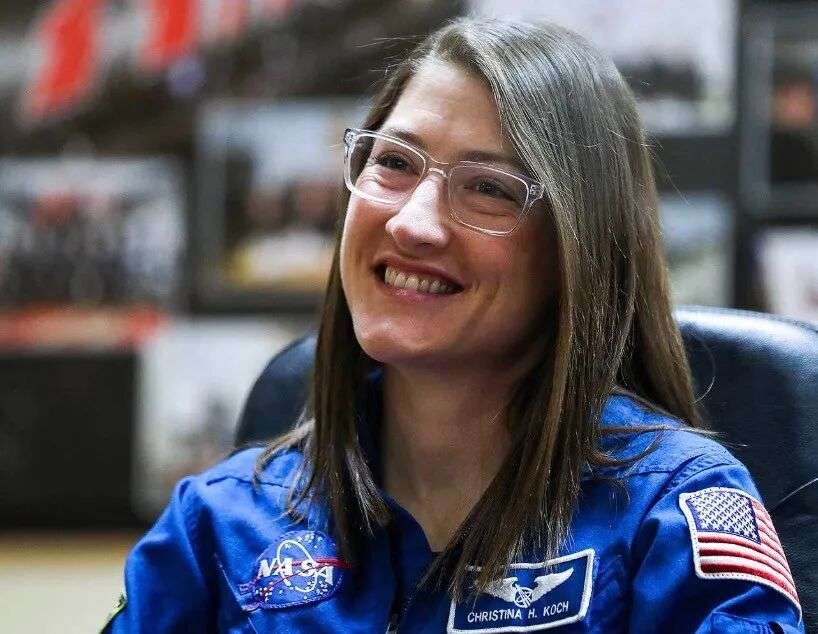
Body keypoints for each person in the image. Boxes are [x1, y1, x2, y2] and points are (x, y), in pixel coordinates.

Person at [104, 18, 805, 633]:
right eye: (394, 163)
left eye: (489, 188)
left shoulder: (671, 509)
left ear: (579, 247)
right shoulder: (219, 523)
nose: (412, 223)